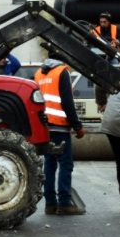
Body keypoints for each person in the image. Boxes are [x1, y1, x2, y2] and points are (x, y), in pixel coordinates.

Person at [35, 56, 86, 215]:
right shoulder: (61, 72)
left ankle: (50, 203)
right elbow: (67, 101)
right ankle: (64, 202)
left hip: (44, 126)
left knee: (49, 164)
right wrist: (77, 126)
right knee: (65, 164)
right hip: (59, 125)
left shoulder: (39, 74)